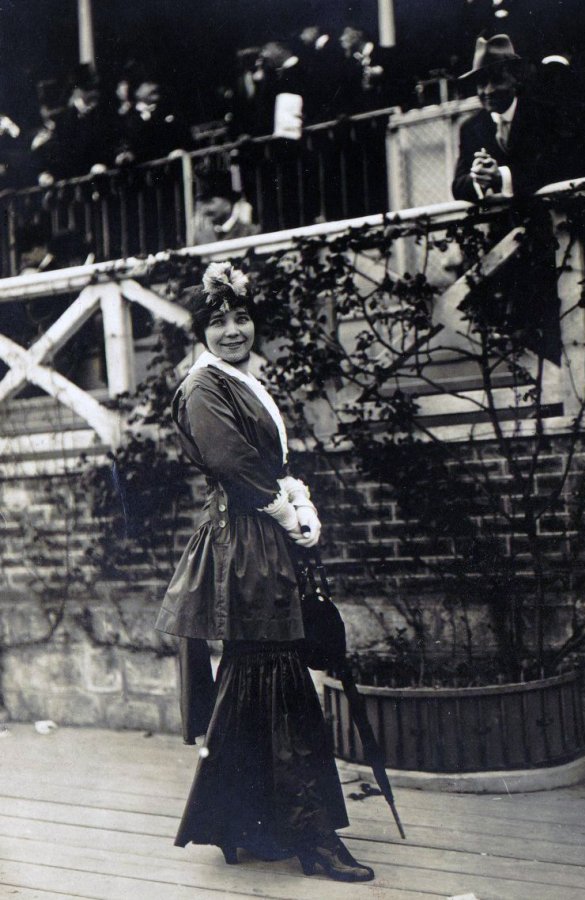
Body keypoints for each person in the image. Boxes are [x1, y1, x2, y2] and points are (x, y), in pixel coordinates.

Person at [155, 262, 374, 883]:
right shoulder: (204, 386)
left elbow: (270, 460)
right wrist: (283, 509)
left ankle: (243, 824)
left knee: (257, 686)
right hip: (245, 546)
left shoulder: (240, 380)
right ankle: (315, 838)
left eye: (241, 317)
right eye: (218, 321)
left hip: (263, 537)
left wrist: (299, 500)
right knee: (278, 684)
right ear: (200, 330)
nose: (232, 330)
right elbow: (232, 462)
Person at [452, 34, 585, 202]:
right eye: (482, 83)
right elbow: (458, 186)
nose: (489, 91)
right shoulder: (471, 128)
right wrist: (478, 178)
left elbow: (557, 167)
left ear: (516, 79)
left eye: (497, 80)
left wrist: (502, 176)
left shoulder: (544, 113)